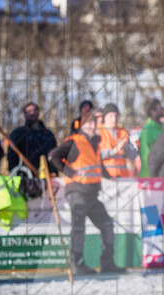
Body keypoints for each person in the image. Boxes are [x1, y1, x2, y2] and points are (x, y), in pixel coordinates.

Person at [47, 113, 125, 275]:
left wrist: (110, 177)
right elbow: (54, 155)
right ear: (81, 126)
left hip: (91, 193)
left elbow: (98, 166)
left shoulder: (95, 143)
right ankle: (77, 263)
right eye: (87, 124)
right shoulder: (76, 142)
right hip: (78, 191)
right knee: (79, 227)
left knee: (107, 224)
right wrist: (69, 172)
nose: (91, 127)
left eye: (93, 123)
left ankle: (107, 262)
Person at [8, 102, 58, 173]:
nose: (32, 113)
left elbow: (54, 153)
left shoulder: (48, 134)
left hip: (46, 174)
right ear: (24, 115)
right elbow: (12, 155)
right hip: (25, 175)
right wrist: (14, 172)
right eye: (29, 111)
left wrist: (54, 171)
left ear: (38, 113)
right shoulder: (17, 134)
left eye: (34, 110)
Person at [97, 104, 138, 177]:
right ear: (105, 117)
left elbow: (133, 155)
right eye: (111, 116)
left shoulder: (123, 132)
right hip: (105, 176)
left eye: (116, 116)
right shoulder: (98, 132)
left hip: (122, 176)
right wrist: (114, 150)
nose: (114, 119)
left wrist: (125, 147)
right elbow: (96, 155)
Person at [139, 99, 164, 177]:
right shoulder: (147, 130)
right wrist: (153, 174)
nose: (162, 109)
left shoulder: (163, 128)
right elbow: (146, 155)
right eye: (160, 107)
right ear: (152, 111)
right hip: (150, 177)